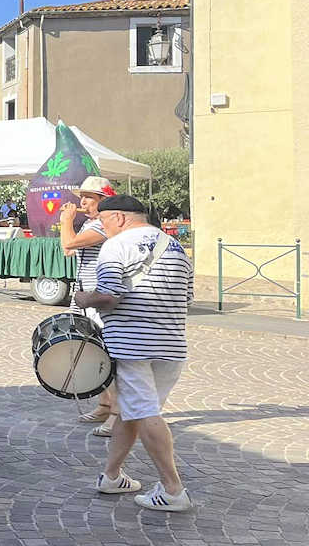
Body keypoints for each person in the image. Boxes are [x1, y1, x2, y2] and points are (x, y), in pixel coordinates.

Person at [74, 195, 194, 512]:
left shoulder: (115, 246)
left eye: (103, 220)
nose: (100, 226)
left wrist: (85, 298)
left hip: (131, 344)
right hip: (172, 345)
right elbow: (189, 297)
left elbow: (108, 296)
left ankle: (173, 490)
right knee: (134, 411)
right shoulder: (176, 247)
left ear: (119, 218)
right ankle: (111, 476)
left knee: (144, 413)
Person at [60, 176, 117, 434]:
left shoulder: (105, 225)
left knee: (107, 352)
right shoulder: (90, 224)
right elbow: (68, 250)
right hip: (83, 294)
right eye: (81, 197)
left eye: (89, 197)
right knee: (93, 351)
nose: (82, 202)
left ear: (103, 201)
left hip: (97, 295)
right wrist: (69, 225)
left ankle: (117, 413)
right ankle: (104, 405)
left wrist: (66, 221)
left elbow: (68, 243)